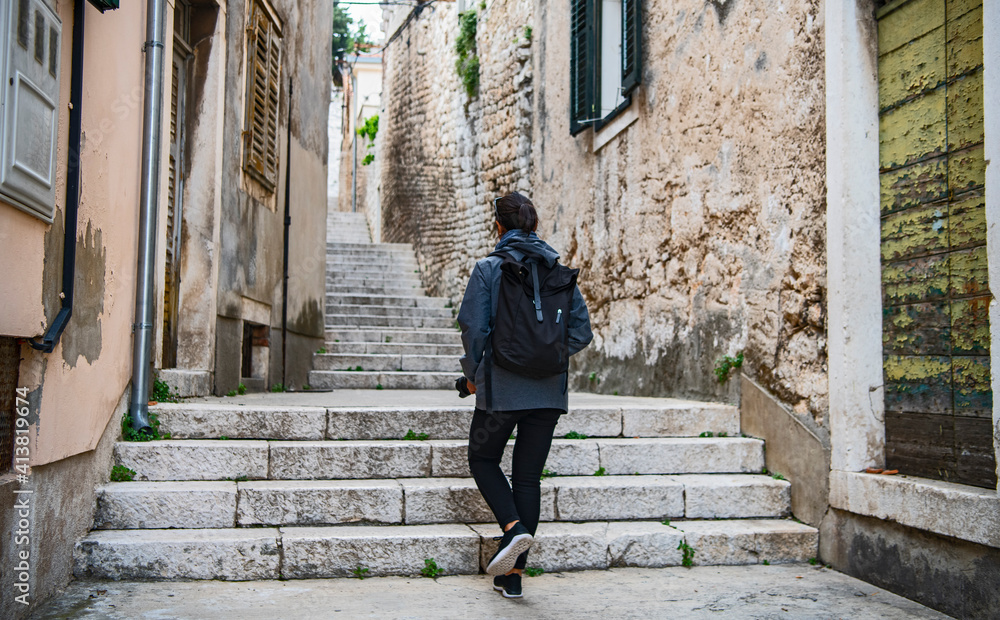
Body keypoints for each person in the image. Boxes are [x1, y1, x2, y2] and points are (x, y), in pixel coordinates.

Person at [457, 191, 593, 599]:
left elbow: (474, 330)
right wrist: (546, 355)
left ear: (498, 226)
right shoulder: (559, 271)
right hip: (548, 391)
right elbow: (581, 332)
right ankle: (512, 578)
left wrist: (471, 377)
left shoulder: (488, 269)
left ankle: (513, 529)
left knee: (481, 458)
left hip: (502, 389)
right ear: (533, 223)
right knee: (528, 476)